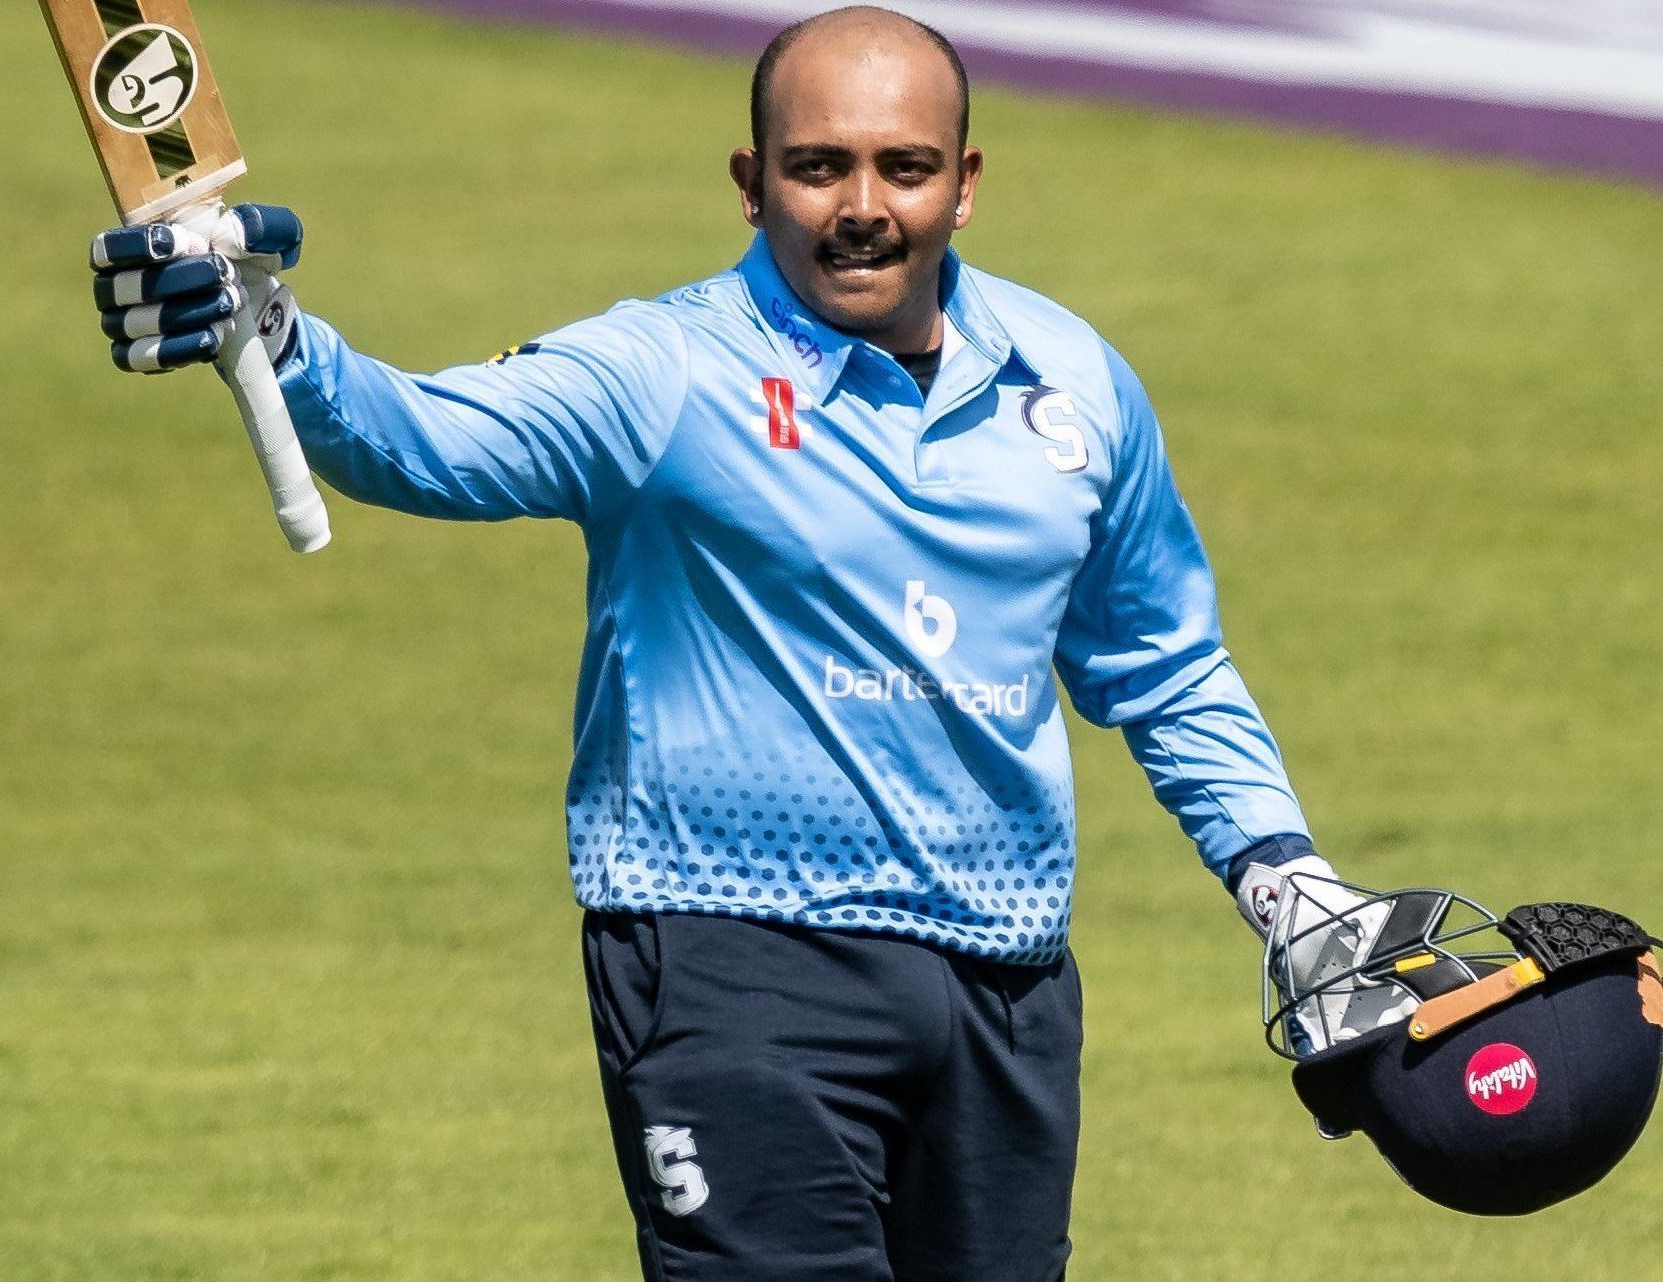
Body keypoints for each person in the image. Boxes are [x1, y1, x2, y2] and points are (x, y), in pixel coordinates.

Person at [86, 7, 1358, 1278]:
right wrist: (281, 339)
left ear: (964, 185)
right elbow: (421, 437)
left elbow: (1164, 661)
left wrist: (1280, 876)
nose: (862, 206)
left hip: (1005, 985)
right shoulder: (666, 371)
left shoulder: (1073, 380)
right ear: (752, 185)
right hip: (734, 964)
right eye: (818, 167)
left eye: (904, 168)